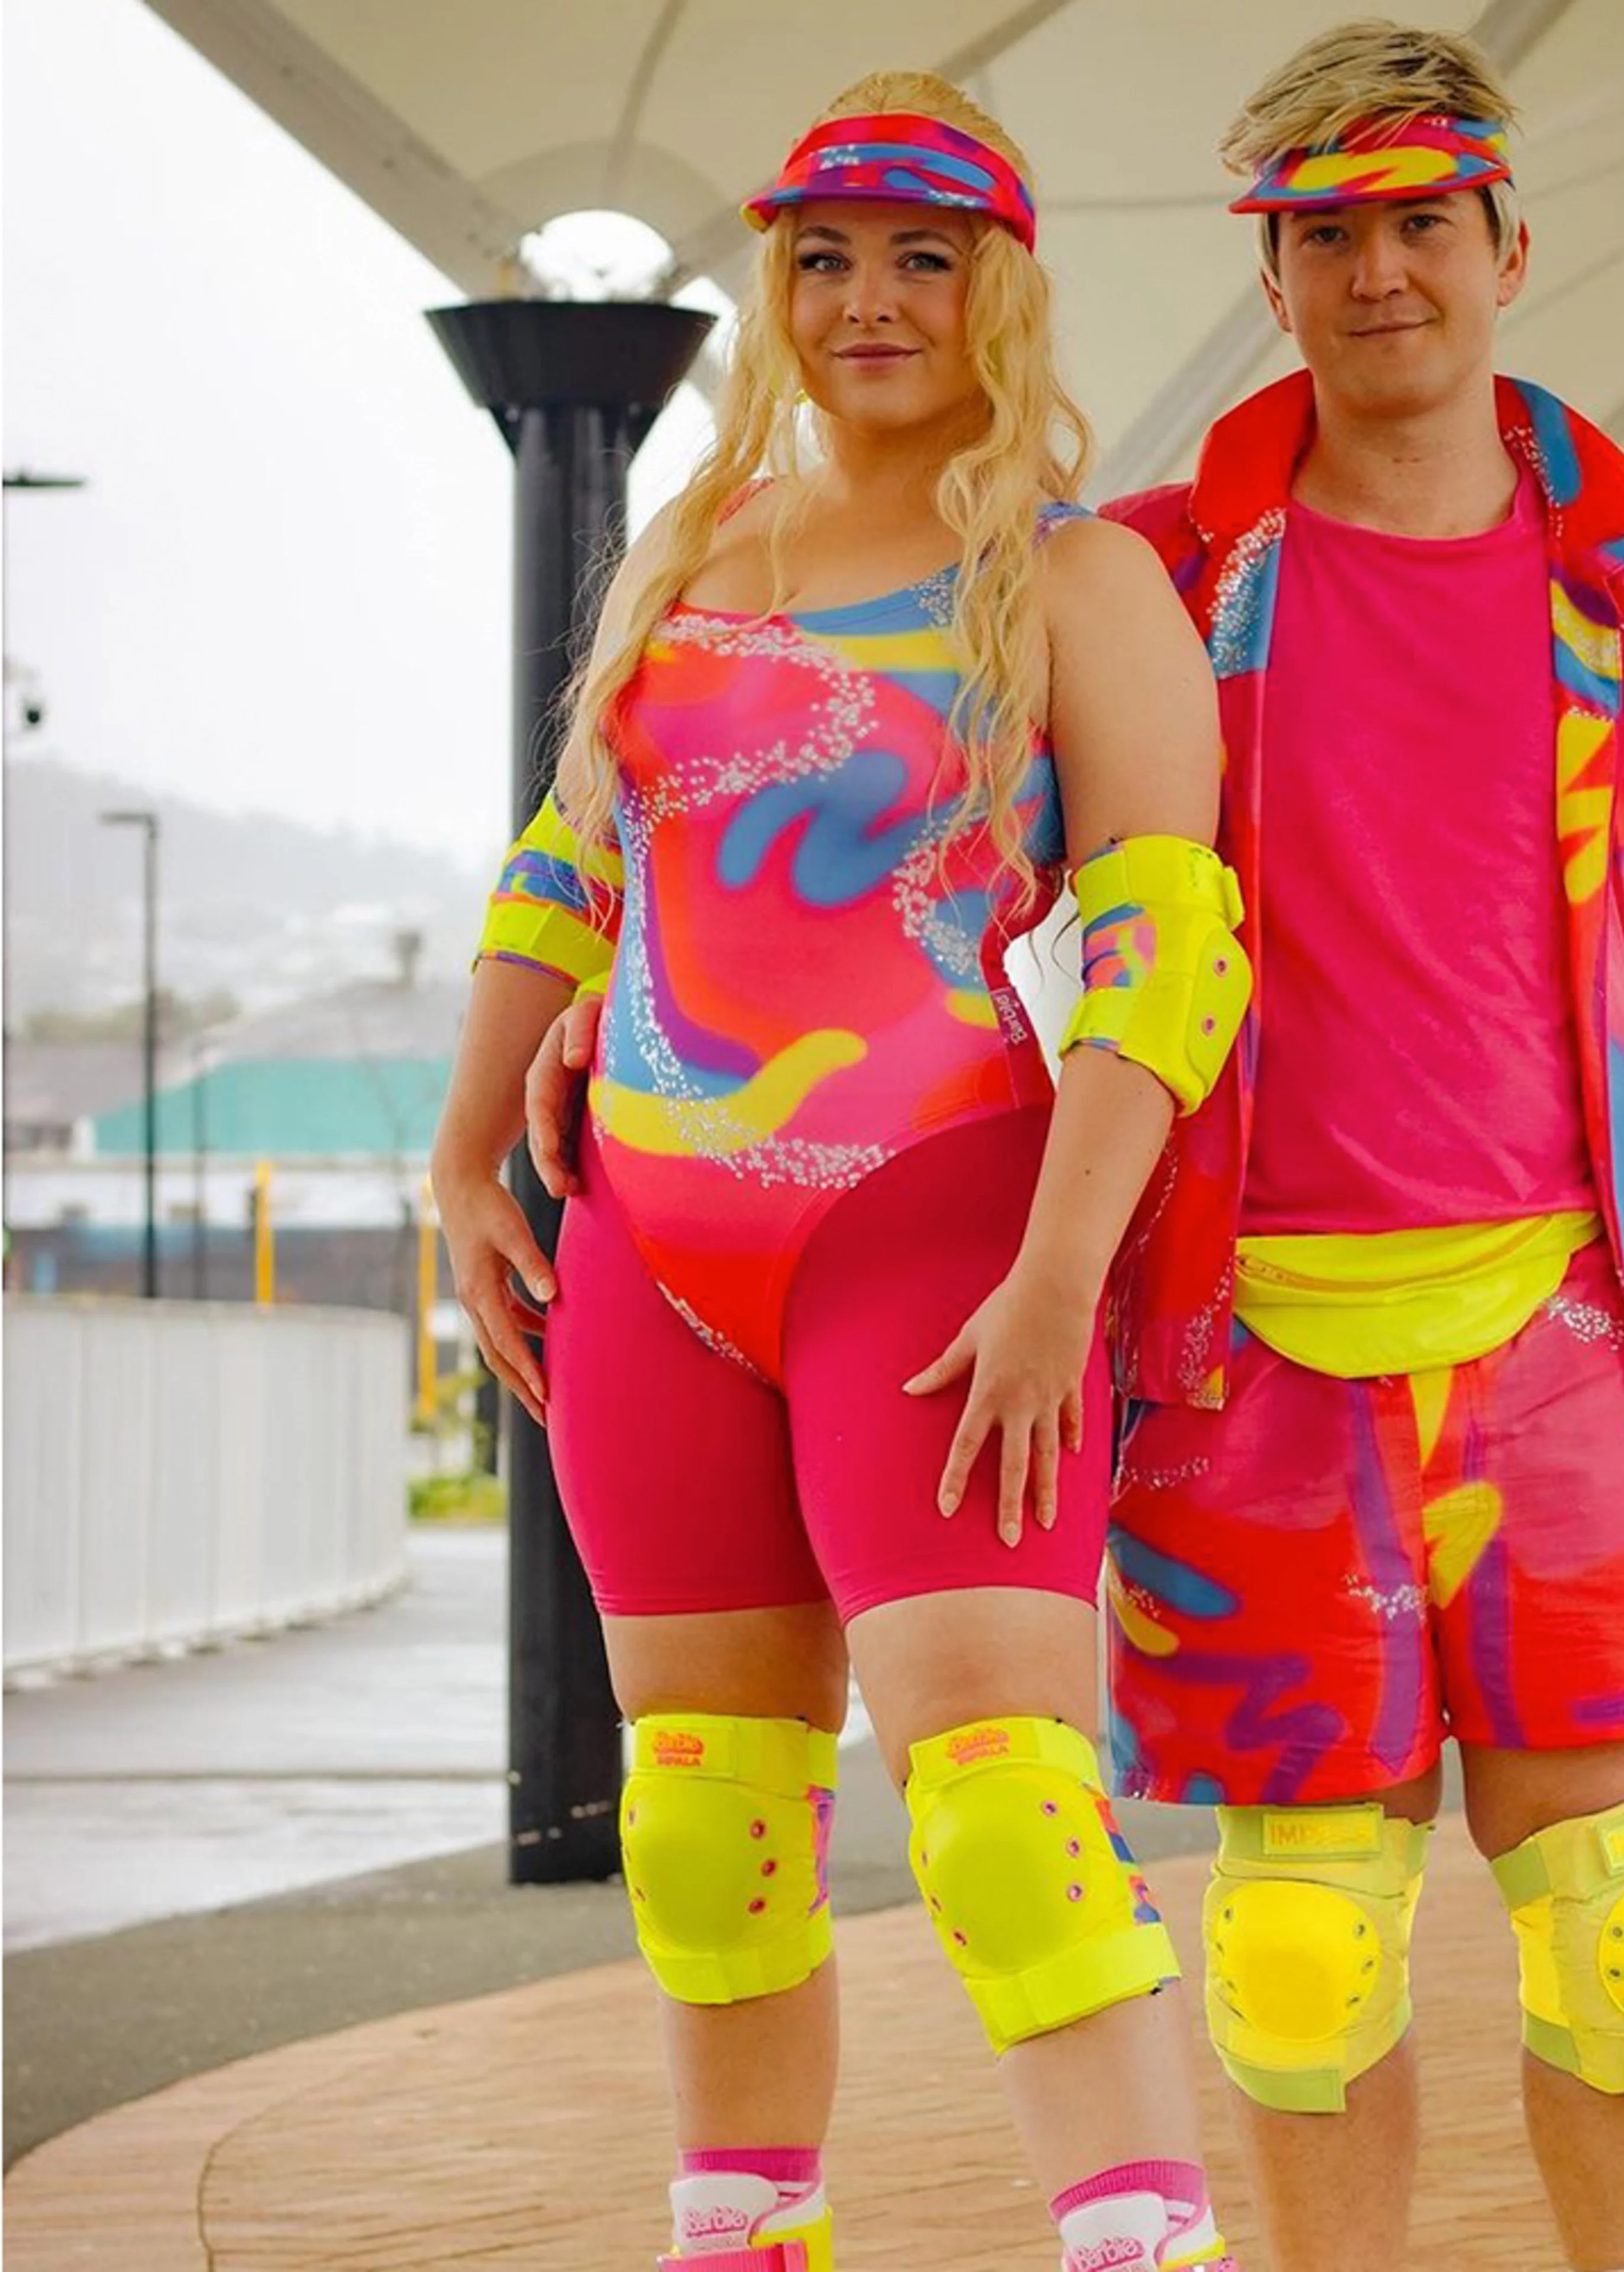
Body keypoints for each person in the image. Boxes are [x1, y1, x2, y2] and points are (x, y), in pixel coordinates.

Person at [431, 73, 1248, 2272]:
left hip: (945, 1241)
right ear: (772, 289)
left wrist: (1070, 1271)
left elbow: (1173, 946)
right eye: (821, 256)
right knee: (705, 1830)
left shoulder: (1075, 577)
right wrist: (456, 1148)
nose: (867, 300)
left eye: (921, 255)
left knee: (1003, 1820)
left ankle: (1137, 2243)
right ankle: (739, 2243)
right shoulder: (696, 554)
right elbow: (567, 869)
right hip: (649, 1251)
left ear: (1003, 287)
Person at [1092, 24, 1624, 2272]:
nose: (1379, 273)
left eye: (1422, 223)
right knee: (1302, 1962)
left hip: (1593, 1340)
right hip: (1246, 1362)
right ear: (1275, 270)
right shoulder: (1150, 581)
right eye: (1327, 235)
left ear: (1510, 245)